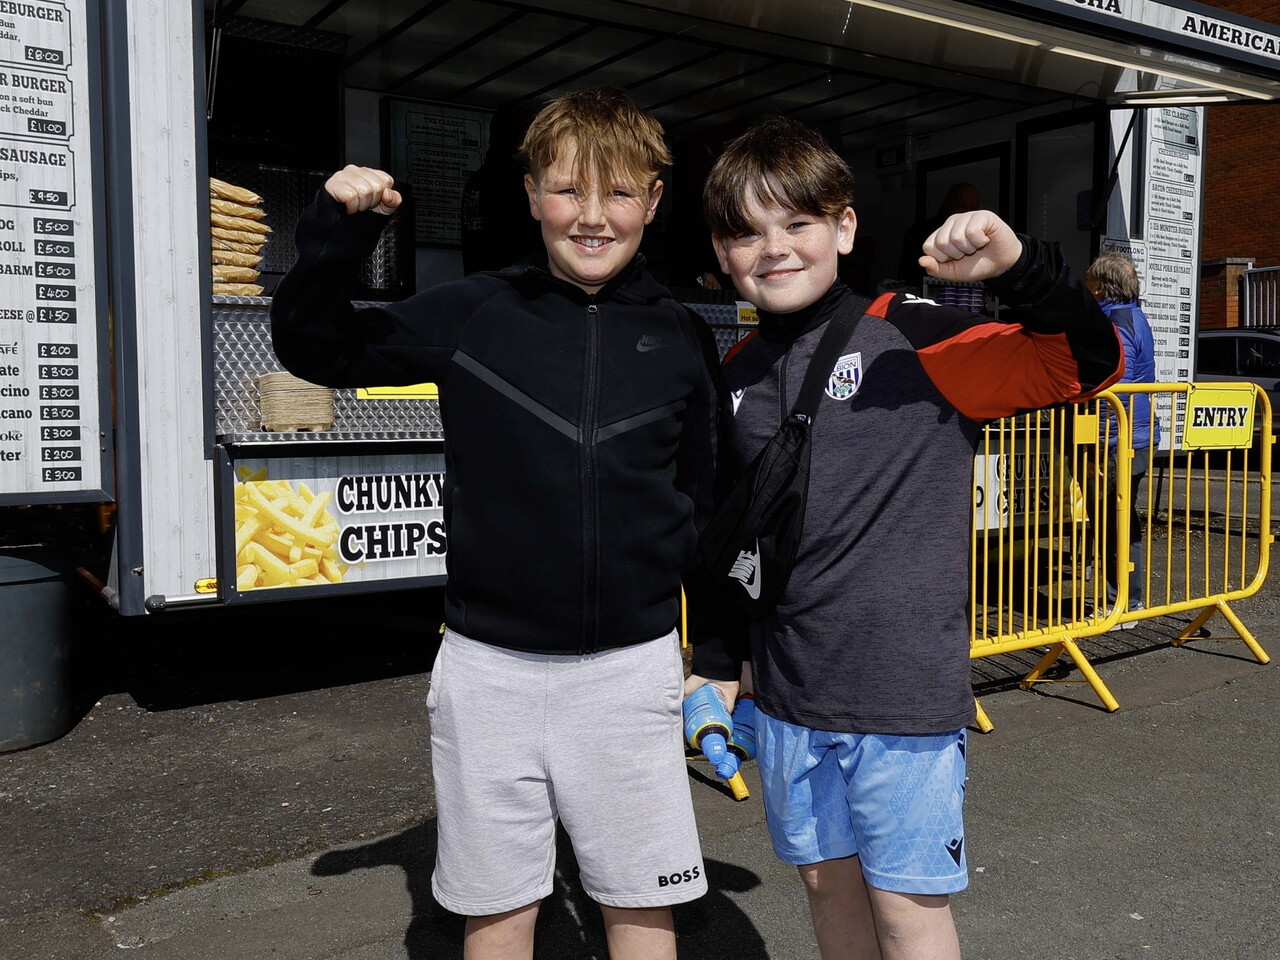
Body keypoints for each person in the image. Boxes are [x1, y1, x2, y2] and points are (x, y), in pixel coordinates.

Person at [271, 88, 727, 960]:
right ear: (530, 195)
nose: (593, 217)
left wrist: (717, 654)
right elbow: (315, 347)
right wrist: (337, 230)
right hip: (490, 675)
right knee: (499, 911)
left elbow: (704, 500)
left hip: (630, 675)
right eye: (567, 191)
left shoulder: (679, 334)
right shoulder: (473, 311)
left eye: (620, 194)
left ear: (655, 202)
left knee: (642, 908)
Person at [686, 116, 1122, 960]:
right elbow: (732, 538)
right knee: (826, 891)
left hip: (903, 703)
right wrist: (719, 663)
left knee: (908, 915)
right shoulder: (733, 369)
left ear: (844, 226)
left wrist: (1025, 269)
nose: (774, 248)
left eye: (798, 222)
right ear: (721, 250)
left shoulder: (914, 332)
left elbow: (1086, 363)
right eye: (746, 231)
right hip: (784, 695)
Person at [1085, 251, 1159, 625]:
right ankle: (1129, 599)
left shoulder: (1114, 322)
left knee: (1113, 520)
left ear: (1100, 286)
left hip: (1117, 439)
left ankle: (1122, 602)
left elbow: (1117, 385)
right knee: (1122, 517)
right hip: (1138, 435)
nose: (1087, 288)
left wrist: (1099, 440)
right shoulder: (1135, 317)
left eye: (1089, 282)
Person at [460, 100, 542, 274]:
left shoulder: (478, 179)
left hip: (479, 278)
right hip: (513, 283)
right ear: (523, 139)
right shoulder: (516, 182)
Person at [895, 181, 980, 283]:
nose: (966, 211)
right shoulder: (918, 233)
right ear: (946, 205)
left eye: (972, 207)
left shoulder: (980, 239)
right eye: (961, 205)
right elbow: (907, 278)